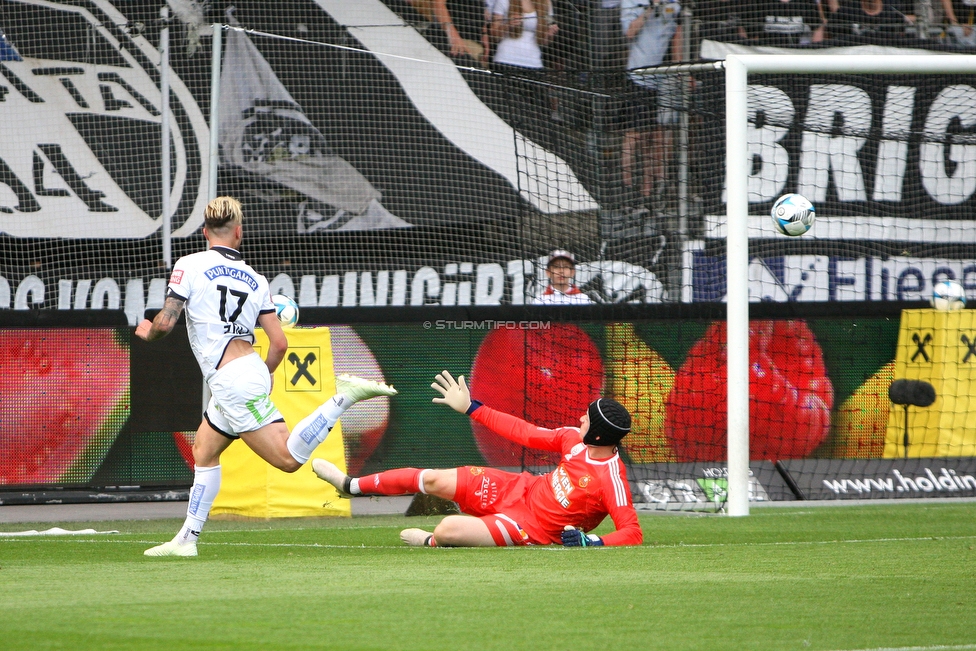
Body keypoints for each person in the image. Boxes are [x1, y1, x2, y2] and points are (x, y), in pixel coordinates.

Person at [135, 196, 396, 557]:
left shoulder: (189, 265)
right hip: (245, 371)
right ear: (239, 233)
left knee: (288, 461)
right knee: (205, 450)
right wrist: (265, 374)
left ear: (204, 232)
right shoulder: (256, 279)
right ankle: (186, 540)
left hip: (231, 380)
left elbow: (166, 321)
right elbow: (279, 342)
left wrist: (148, 332)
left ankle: (343, 398)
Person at [312, 371, 643, 547]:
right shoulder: (573, 437)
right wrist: (471, 407)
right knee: (433, 480)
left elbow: (632, 532)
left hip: (529, 528)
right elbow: (524, 432)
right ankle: (350, 485)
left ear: (598, 434)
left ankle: (431, 542)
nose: (579, 419)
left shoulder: (610, 479)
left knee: (448, 529)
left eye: (587, 418)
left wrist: (593, 540)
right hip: (518, 489)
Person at [620, 0, 683, 216]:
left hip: (661, 79)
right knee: (634, 137)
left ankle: (648, 195)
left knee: (657, 138)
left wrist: (679, 67)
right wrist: (650, 8)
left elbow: (676, 29)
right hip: (637, 76)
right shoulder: (632, 2)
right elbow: (629, 32)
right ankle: (627, 193)